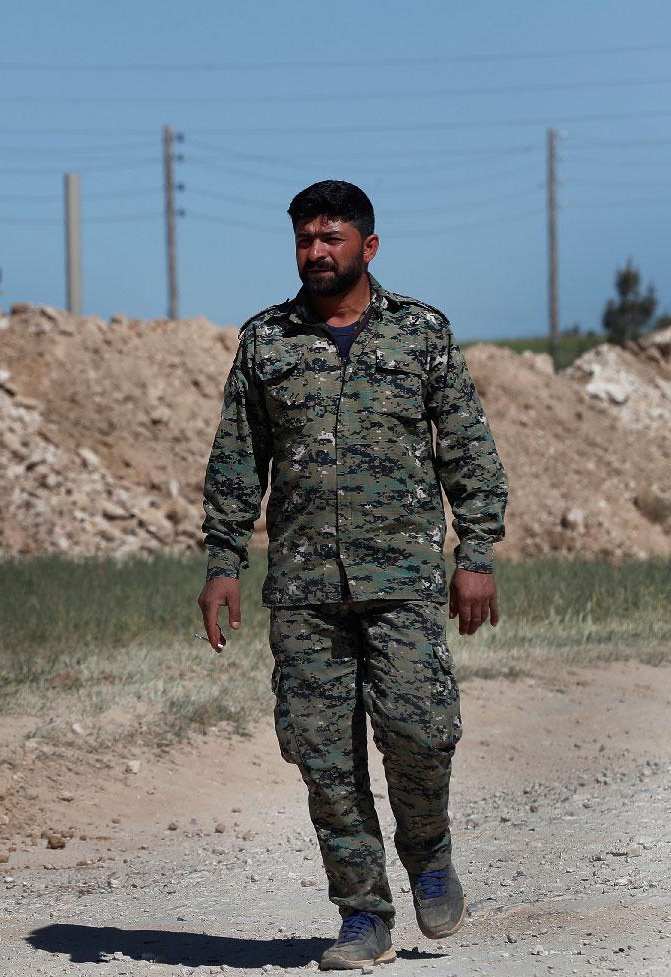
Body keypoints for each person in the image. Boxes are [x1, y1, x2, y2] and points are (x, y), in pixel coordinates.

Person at [196, 180, 507, 971]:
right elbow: (237, 460)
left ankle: (429, 855)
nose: (315, 252)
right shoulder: (265, 342)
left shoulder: (420, 334)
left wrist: (474, 555)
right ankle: (362, 912)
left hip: (402, 579)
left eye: (330, 238)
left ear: (366, 247)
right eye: (304, 239)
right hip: (302, 589)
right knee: (323, 755)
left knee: (417, 731)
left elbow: (466, 449)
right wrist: (222, 560)